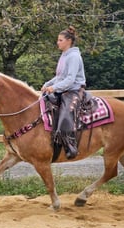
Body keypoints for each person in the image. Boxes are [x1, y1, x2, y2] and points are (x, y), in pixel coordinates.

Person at [41, 26, 86, 159]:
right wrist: (48, 84)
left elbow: (70, 80)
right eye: (58, 40)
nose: (58, 42)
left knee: (66, 113)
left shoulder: (73, 57)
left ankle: (71, 146)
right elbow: (60, 77)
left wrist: (54, 88)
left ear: (68, 41)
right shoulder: (65, 55)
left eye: (60, 40)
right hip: (64, 89)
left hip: (74, 90)